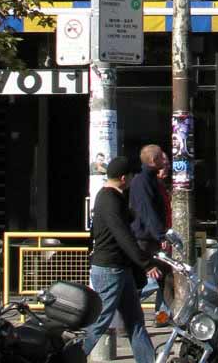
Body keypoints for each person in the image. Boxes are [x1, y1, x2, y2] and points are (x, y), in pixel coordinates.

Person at [82, 155, 161, 363]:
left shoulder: (113, 197)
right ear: (124, 178)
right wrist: (146, 264)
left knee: (135, 321)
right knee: (100, 320)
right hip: (110, 269)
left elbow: (125, 220)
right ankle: (73, 356)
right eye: (132, 176)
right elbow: (123, 236)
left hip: (121, 269)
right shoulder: (108, 199)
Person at [129, 144, 171, 316]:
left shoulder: (152, 180)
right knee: (142, 279)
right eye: (162, 158)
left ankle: (164, 314)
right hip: (145, 239)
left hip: (149, 238)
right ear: (154, 161)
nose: (166, 162)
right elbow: (148, 212)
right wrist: (161, 236)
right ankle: (127, 315)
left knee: (166, 275)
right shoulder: (142, 181)